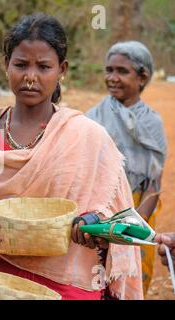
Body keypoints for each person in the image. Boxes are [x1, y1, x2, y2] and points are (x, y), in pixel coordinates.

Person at [0, 13, 143, 300]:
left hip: (66, 284)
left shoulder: (87, 136)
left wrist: (95, 225)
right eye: (21, 64)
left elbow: (121, 221)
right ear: (6, 65)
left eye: (43, 67)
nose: (30, 77)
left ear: (61, 69)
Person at [86, 41, 167, 296]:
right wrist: (104, 224)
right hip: (98, 215)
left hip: (139, 213)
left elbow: (154, 184)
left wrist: (132, 225)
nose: (112, 78)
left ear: (142, 77)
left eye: (122, 71)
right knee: (97, 280)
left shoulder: (152, 123)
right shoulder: (92, 119)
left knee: (132, 280)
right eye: (109, 70)